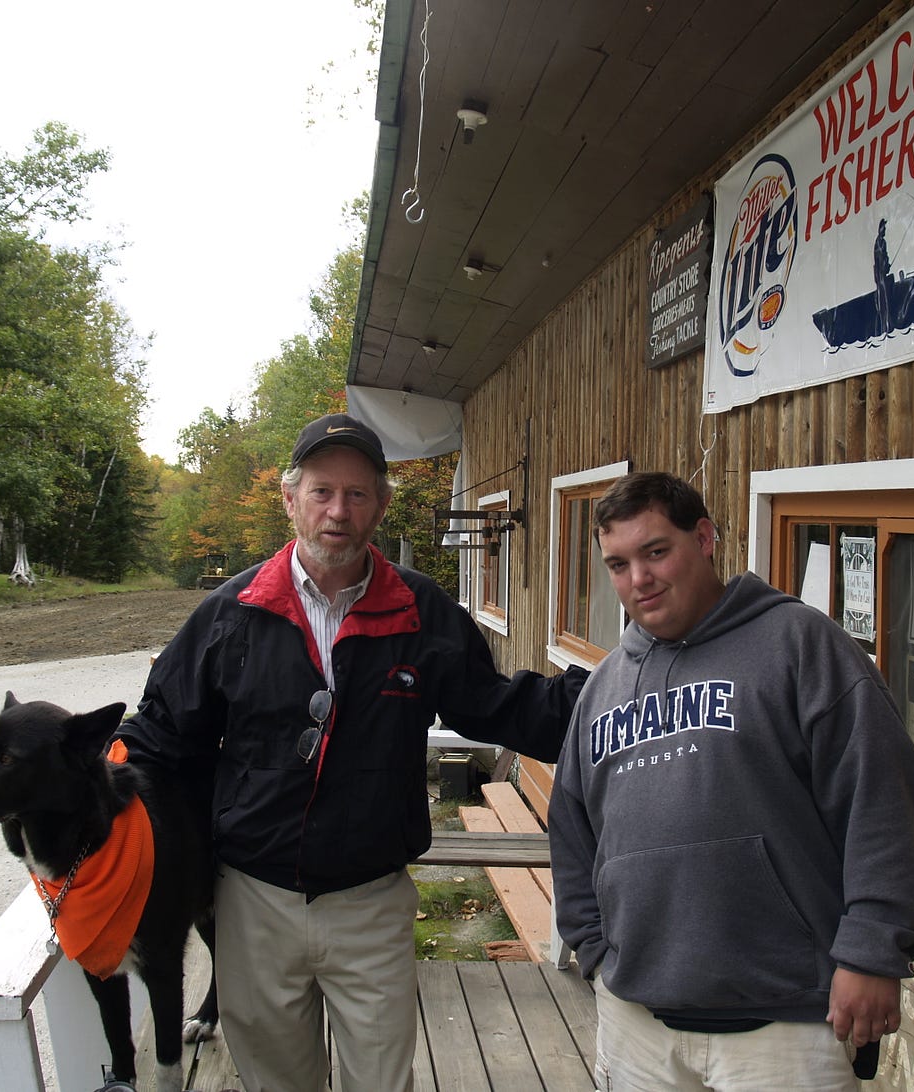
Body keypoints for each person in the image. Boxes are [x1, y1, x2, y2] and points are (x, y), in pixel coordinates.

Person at [116, 413, 586, 1092]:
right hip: (253, 904)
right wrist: (95, 783)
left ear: (381, 505)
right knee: (277, 1081)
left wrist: (612, 696)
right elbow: (162, 735)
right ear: (290, 499)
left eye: (358, 494)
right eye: (322, 492)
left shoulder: (422, 612)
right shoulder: (232, 613)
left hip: (371, 904)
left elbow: (498, 706)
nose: (339, 510)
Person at [547, 471, 914, 1091]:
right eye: (617, 565)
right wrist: (595, 952)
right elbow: (572, 832)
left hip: (787, 1027)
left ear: (704, 538)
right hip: (638, 1024)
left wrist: (871, 951)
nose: (638, 580)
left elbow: (883, 801)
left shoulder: (799, 645)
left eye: (656, 552)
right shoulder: (603, 687)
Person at [873, 218, 893, 333]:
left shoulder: (882, 242)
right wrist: (886, 265)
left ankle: (886, 324)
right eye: (884, 228)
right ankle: (884, 325)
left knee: (885, 300)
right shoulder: (879, 242)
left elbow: (884, 257)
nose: (885, 230)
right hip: (880, 275)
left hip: (882, 274)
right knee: (883, 301)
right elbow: (880, 258)